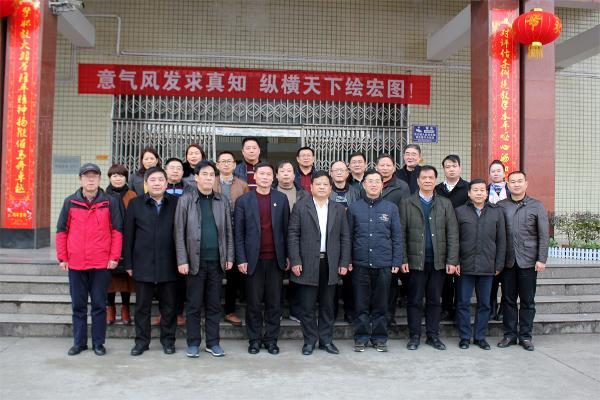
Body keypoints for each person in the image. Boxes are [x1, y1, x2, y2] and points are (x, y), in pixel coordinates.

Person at [56, 163, 123, 356]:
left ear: (100, 179)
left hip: (101, 263)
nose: (91, 179)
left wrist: (114, 256)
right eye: (87, 176)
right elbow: (61, 231)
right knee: (78, 305)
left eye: (94, 176)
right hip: (76, 263)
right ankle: (79, 343)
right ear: (80, 179)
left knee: (99, 305)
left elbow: (117, 231)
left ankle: (98, 343)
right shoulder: (70, 202)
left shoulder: (109, 202)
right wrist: (62, 257)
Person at [175, 160, 235, 358]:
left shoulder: (222, 200)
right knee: (194, 305)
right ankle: (193, 343)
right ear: (196, 177)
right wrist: (182, 260)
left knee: (213, 304)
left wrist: (229, 256)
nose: (209, 178)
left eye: (212, 175)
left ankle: (213, 342)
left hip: (216, 262)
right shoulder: (186, 200)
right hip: (194, 262)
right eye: (205, 174)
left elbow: (228, 231)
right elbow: (179, 232)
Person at [288, 171, 351, 355]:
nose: (322, 187)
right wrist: (295, 260)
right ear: (311, 187)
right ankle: (309, 341)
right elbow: (293, 235)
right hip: (306, 262)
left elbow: (345, 237)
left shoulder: (338, 209)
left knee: (327, 306)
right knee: (307, 306)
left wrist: (344, 262)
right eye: (318, 184)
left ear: (331, 188)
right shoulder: (300, 206)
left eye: (325, 184)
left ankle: (326, 340)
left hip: (330, 263)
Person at [401, 165, 459, 351]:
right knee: (415, 300)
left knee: (435, 300)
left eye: (430, 178)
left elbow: (452, 234)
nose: (427, 180)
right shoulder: (407, 203)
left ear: (435, 180)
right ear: (418, 181)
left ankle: (433, 336)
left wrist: (452, 260)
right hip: (415, 262)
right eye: (423, 177)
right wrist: (403, 259)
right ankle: (414, 336)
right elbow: (401, 234)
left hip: (438, 262)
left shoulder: (445, 204)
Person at [234, 163, 290, 355]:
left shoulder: (281, 199)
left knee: (275, 303)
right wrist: (241, 258)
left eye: (268, 174)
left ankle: (271, 340)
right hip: (253, 260)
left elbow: (286, 230)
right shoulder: (244, 200)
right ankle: (255, 340)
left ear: (273, 177)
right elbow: (238, 233)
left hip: (275, 259)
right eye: (262, 174)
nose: (265, 177)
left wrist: (288, 255)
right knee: (254, 303)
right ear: (254, 177)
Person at [124, 167, 179, 356]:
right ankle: (141, 342)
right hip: (143, 263)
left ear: (166, 183)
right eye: (152, 180)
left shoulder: (176, 203)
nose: (157, 183)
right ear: (146, 183)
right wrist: (128, 263)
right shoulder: (135, 204)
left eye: (160, 180)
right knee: (142, 307)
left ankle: (168, 341)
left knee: (169, 307)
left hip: (169, 263)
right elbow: (128, 236)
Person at [347, 170, 403, 353]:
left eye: (377, 181)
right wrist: (348, 260)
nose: (373, 184)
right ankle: (361, 338)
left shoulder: (391, 208)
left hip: (384, 263)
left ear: (382, 185)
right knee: (361, 304)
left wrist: (396, 261)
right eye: (370, 181)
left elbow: (397, 237)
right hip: (360, 264)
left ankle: (379, 338)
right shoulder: (354, 208)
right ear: (363, 185)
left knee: (381, 304)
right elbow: (348, 237)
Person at [497, 171, 549, 351]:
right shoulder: (501, 206)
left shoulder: (536, 206)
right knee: (508, 300)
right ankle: (509, 335)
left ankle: (525, 336)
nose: (516, 184)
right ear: (507, 184)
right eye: (512, 182)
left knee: (527, 301)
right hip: (508, 261)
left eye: (520, 181)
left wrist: (541, 259)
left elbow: (543, 235)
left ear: (526, 183)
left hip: (528, 261)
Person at [454, 179, 506, 350]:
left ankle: (480, 337)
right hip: (465, 266)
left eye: (482, 190)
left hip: (487, 266)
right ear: (469, 193)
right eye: (475, 190)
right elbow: (454, 239)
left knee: (485, 304)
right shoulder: (460, 211)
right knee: (463, 302)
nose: (479, 193)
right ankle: (464, 337)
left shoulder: (496, 212)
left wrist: (498, 264)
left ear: (486, 193)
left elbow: (502, 240)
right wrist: (455, 261)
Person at [213, 151, 249, 327]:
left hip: (235, 234)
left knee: (233, 275)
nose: (226, 164)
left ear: (235, 165)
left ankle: (230, 311)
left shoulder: (242, 185)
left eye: (229, 161)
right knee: (213, 274)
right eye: (223, 161)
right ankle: (212, 310)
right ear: (217, 165)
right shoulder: (210, 182)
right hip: (214, 233)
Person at [375, 153, 410, 328]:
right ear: (376, 167)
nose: (385, 168)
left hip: (391, 239)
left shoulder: (402, 187)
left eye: (388, 165)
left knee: (391, 282)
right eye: (382, 165)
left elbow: (405, 213)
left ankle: (389, 315)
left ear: (394, 167)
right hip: (372, 240)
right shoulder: (369, 183)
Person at [435, 154, 470, 322]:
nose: (451, 169)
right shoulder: (437, 189)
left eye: (454, 166)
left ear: (460, 168)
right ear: (443, 169)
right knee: (446, 275)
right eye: (447, 166)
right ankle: (446, 307)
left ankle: (459, 309)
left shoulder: (468, 188)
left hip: (464, 235)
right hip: (442, 236)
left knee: (461, 275)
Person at [273, 160, 307, 323]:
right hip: (276, 240)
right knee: (276, 279)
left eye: (289, 171)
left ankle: (296, 310)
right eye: (282, 171)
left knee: (298, 276)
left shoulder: (303, 194)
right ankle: (277, 310)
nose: (286, 174)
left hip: (299, 240)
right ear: (277, 175)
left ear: (294, 175)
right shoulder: (271, 192)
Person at [329, 160, 361, 323]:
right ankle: (331, 313)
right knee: (331, 280)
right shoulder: (327, 190)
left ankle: (350, 312)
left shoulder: (356, 192)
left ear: (348, 173)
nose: (339, 172)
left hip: (351, 239)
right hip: (331, 240)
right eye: (336, 170)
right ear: (331, 173)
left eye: (342, 170)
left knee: (350, 279)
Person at [105, 164, 137, 325]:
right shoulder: (103, 195)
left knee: (126, 278)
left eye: (121, 175)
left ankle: (125, 308)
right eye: (114, 175)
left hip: (128, 241)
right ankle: (110, 308)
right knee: (108, 279)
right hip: (107, 242)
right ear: (109, 178)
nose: (118, 178)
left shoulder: (132, 195)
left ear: (126, 178)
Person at [164, 157, 191, 327]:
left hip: (184, 238)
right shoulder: (159, 187)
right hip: (164, 238)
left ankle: (179, 312)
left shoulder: (190, 189)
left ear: (183, 172)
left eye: (178, 168)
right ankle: (164, 312)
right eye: (172, 167)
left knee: (181, 279)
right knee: (164, 277)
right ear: (165, 170)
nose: (175, 171)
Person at [488, 160, 510, 321]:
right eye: (493, 171)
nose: (496, 173)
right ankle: (491, 307)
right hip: (489, 238)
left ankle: (503, 308)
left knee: (507, 279)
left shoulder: (511, 190)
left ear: (504, 172)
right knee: (491, 278)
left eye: (498, 170)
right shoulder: (484, 189)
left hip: (508, 237)